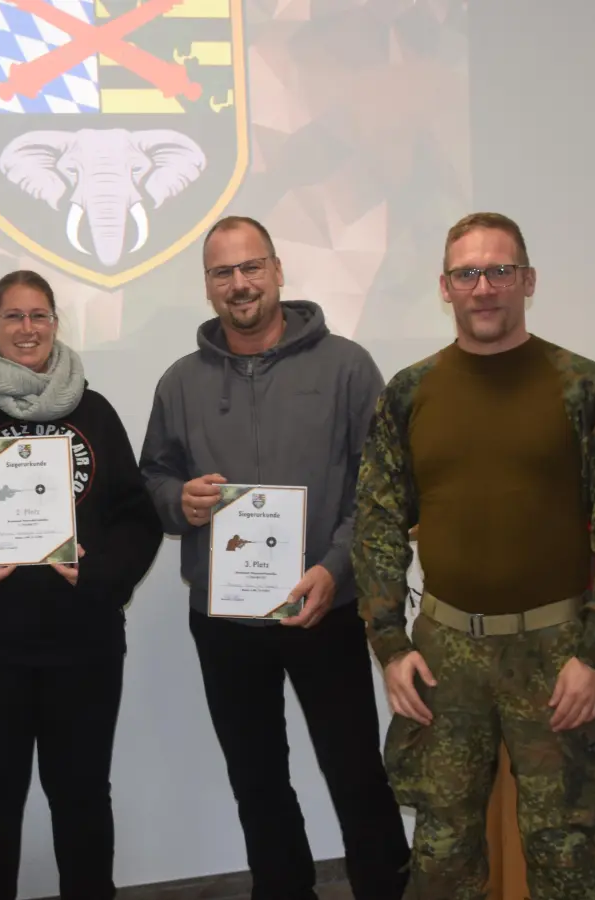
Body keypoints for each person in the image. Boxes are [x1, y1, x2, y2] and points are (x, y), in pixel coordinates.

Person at [352, 212, 595, 899]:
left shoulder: (583, 385)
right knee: (443, 854)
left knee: (571, 856)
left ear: (528, 281)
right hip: (447, 655)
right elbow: (377, 522)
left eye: (500, 270)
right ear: (445, 288)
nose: (484, 287)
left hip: (559, 652)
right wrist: (390, 645)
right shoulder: (410, 392)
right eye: (468, 273)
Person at [138, 216, 409, 900]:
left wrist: (335, 568)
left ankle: (384, 887)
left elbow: (381, 489)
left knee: (353, 770)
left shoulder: (347, 367)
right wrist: (182, 503)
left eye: (251, 267)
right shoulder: (179, 382)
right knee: (256, 776)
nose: (240, 284)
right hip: (226, 618)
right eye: (223, 273)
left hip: (325, 604)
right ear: (207, 287)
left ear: (279, 270)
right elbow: (153, 479)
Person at [0, 270, 162, 899]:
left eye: (39, 316)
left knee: (82, 800)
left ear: (55, 324)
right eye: (13, 316)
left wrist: (102, 573)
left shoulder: (94, 412)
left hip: (84, 648)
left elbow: (137, 517)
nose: (27, 329)